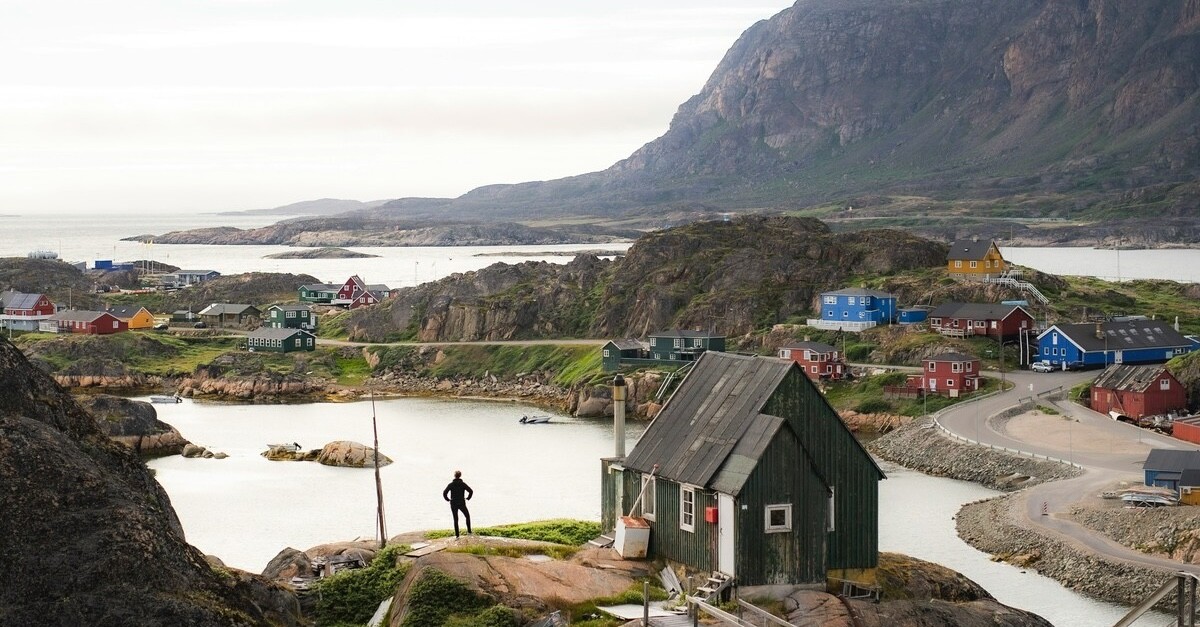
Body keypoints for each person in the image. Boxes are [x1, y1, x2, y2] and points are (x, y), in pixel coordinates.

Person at [442, 470, 473, 538]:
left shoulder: (451, 484)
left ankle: (457, 535)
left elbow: (444, 493)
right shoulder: (463, 484)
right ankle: (469, 532)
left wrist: (448, 499)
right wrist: (468, 498)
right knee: (467, 516)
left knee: (455, 519)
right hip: (461, 503)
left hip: (453, 503)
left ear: (454, 476)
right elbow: (471, 491)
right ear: (460, 476)